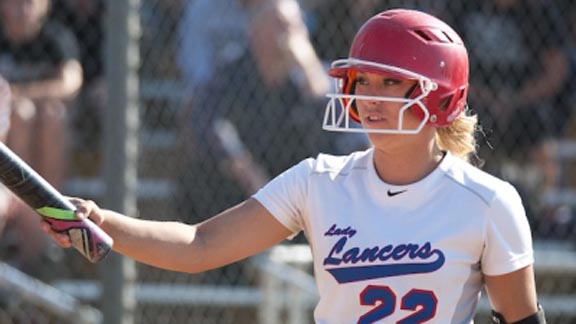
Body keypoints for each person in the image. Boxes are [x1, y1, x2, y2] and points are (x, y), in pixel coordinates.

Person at [43, 9, 545, 323]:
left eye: (390, 83)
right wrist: (103, 220)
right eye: (362, 81)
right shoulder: (319, 181)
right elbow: (200, 245)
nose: (368, 97)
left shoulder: (487, 203)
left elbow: (519, 318)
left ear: (440, 99)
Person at [0, 0, 82, 278]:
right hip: (9, 132)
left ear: (44, 7)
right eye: (14, 3)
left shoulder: (55, 37)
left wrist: (21, 93)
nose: (22, 11)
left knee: (51, 114)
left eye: (29, 3)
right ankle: (17, 197)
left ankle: (50, 205)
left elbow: (70, 83)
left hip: (44, 142)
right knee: (20, 115)